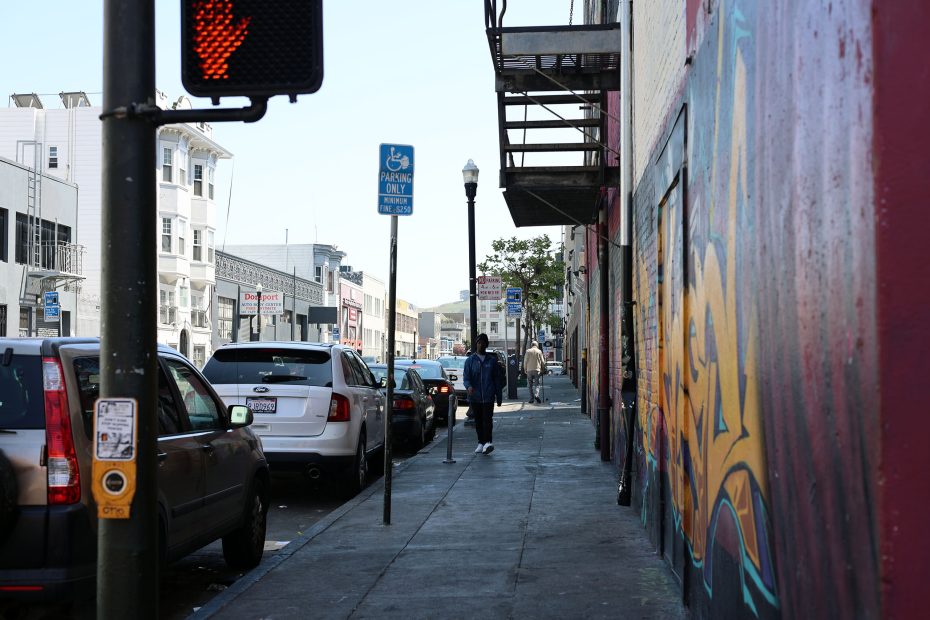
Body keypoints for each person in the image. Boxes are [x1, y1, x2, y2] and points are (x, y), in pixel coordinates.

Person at [462, 333, 504, 454]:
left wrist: (499, 396)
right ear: (476, 344)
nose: (481, 345)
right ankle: (481, 442)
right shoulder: (470, 361)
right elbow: (466, 377)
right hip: (475, 397)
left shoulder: (492, 361)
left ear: (486, 345)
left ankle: (488, 442)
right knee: (478, 421)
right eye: (479, 342)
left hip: (488, 396)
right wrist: (468, 386)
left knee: (487, 420)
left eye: (483, 343)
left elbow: (497, 379)